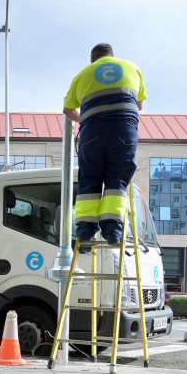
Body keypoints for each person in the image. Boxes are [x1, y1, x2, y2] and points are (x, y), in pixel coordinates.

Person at [63, 43, 147, 244]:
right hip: (123, 131)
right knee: (116, 180)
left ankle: (85, 232)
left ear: (93, 59)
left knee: (90, 180)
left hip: (92, 132)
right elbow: (140, 105)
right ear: (112, 55)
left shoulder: (83, 74)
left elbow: (68, 110)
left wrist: (84, 118)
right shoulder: (132, 67)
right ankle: (113, 233)